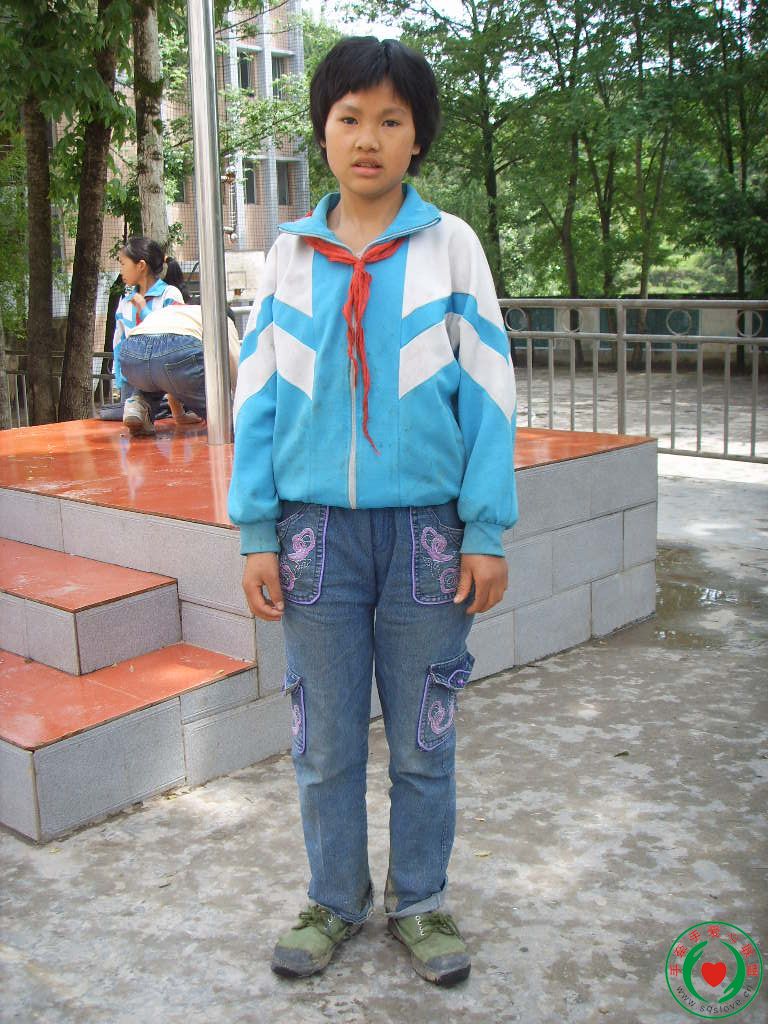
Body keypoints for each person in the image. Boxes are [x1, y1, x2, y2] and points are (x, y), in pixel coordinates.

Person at [228, 36, 517, 987]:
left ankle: (422, 901)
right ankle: (334, 899)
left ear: (416, 138)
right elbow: (256, 400)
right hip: (313, 540)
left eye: (391, 120)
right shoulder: (288, 256)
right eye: (349, 117)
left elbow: (490, 392)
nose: (368, 138)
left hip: (429, 539)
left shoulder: (452, 246)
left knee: (425, 739)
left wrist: (485, 528)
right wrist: (257, 531)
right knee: (323, 741)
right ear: (322, 129)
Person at [120, 303, 241, 436]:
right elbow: (235, 361)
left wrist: (179, 416)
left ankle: (138, 406)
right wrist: (238, 403)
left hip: (131, 355)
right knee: (226, 422)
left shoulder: (176, 311)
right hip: (177, 353)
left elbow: (169, 378)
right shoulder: (222, 317)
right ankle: (227, 425)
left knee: (159, 373)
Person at [111, 237, 184, 403]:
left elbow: (175, 340)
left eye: (123, 264)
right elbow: (119, 343)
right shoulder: (126, 302)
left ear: (141, 265)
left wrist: (144, 311)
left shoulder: (169, 295)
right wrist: (120, 379)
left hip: (165, 385)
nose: (121, 270)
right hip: (131, 383)